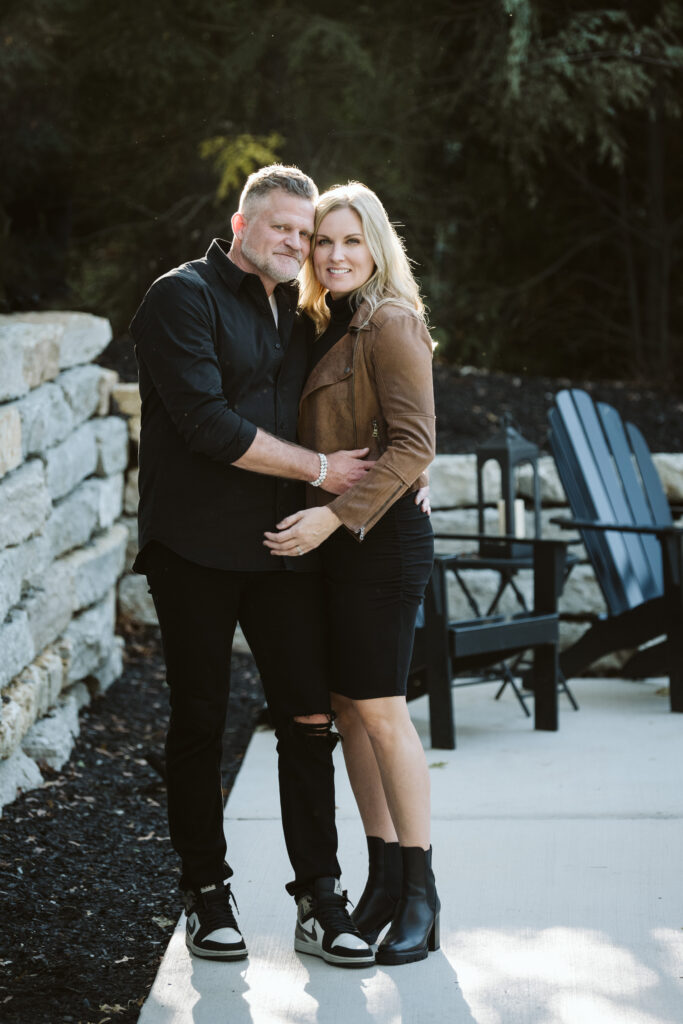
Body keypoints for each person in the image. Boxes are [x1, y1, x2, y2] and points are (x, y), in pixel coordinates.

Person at [129, 165, 377, 968]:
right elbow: (205, 422)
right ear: (241, 225)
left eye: (306, 235)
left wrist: (409, 472)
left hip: (286, 549)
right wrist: (317, 471)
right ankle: (206, 892)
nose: (298, 245)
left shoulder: (302, 309)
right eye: (284, 230)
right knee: (201, 720)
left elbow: (371, 390)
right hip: (195, 548)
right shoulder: (181, 296)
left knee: (309, 721)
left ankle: (319, 896)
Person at [264, 182, 439, 966]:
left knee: (381, 714)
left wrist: (333, 515)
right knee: (347, 711)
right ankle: (380, 879)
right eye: (323, 242)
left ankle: (423, 892)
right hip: (334, 549)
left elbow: (414, 446)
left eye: (351, 242)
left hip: (380, 541)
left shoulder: (391, 320)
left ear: (376, 247)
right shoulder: (317, 321)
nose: (335, 255)